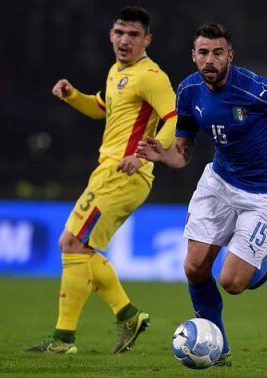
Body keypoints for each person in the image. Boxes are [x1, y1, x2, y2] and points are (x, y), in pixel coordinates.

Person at [136, 23, 267, 365]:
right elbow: (184, 151)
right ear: (194, 56)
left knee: (233, 282)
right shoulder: (189, 91)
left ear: (230, 56)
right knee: (194, 268)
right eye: (204, 53)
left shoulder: (254, 89)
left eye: (218, 53)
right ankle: (218, 346)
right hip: (220, 182)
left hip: (265, 192)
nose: (210, 60)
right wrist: (163, 155)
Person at [27, 6, 177, 354]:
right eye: (120, 32)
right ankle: (129, 316)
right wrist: (72, 96)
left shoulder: (151, 76)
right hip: (108, 172)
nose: (125, 40)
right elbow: (102, 108)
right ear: (111, 35)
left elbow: (174, 120)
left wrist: (142, 154)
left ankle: (64, 340)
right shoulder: (116, 72)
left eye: (133, 34)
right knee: (77, 246)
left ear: (147, 40)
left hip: (126, 174)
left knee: (72, 245)